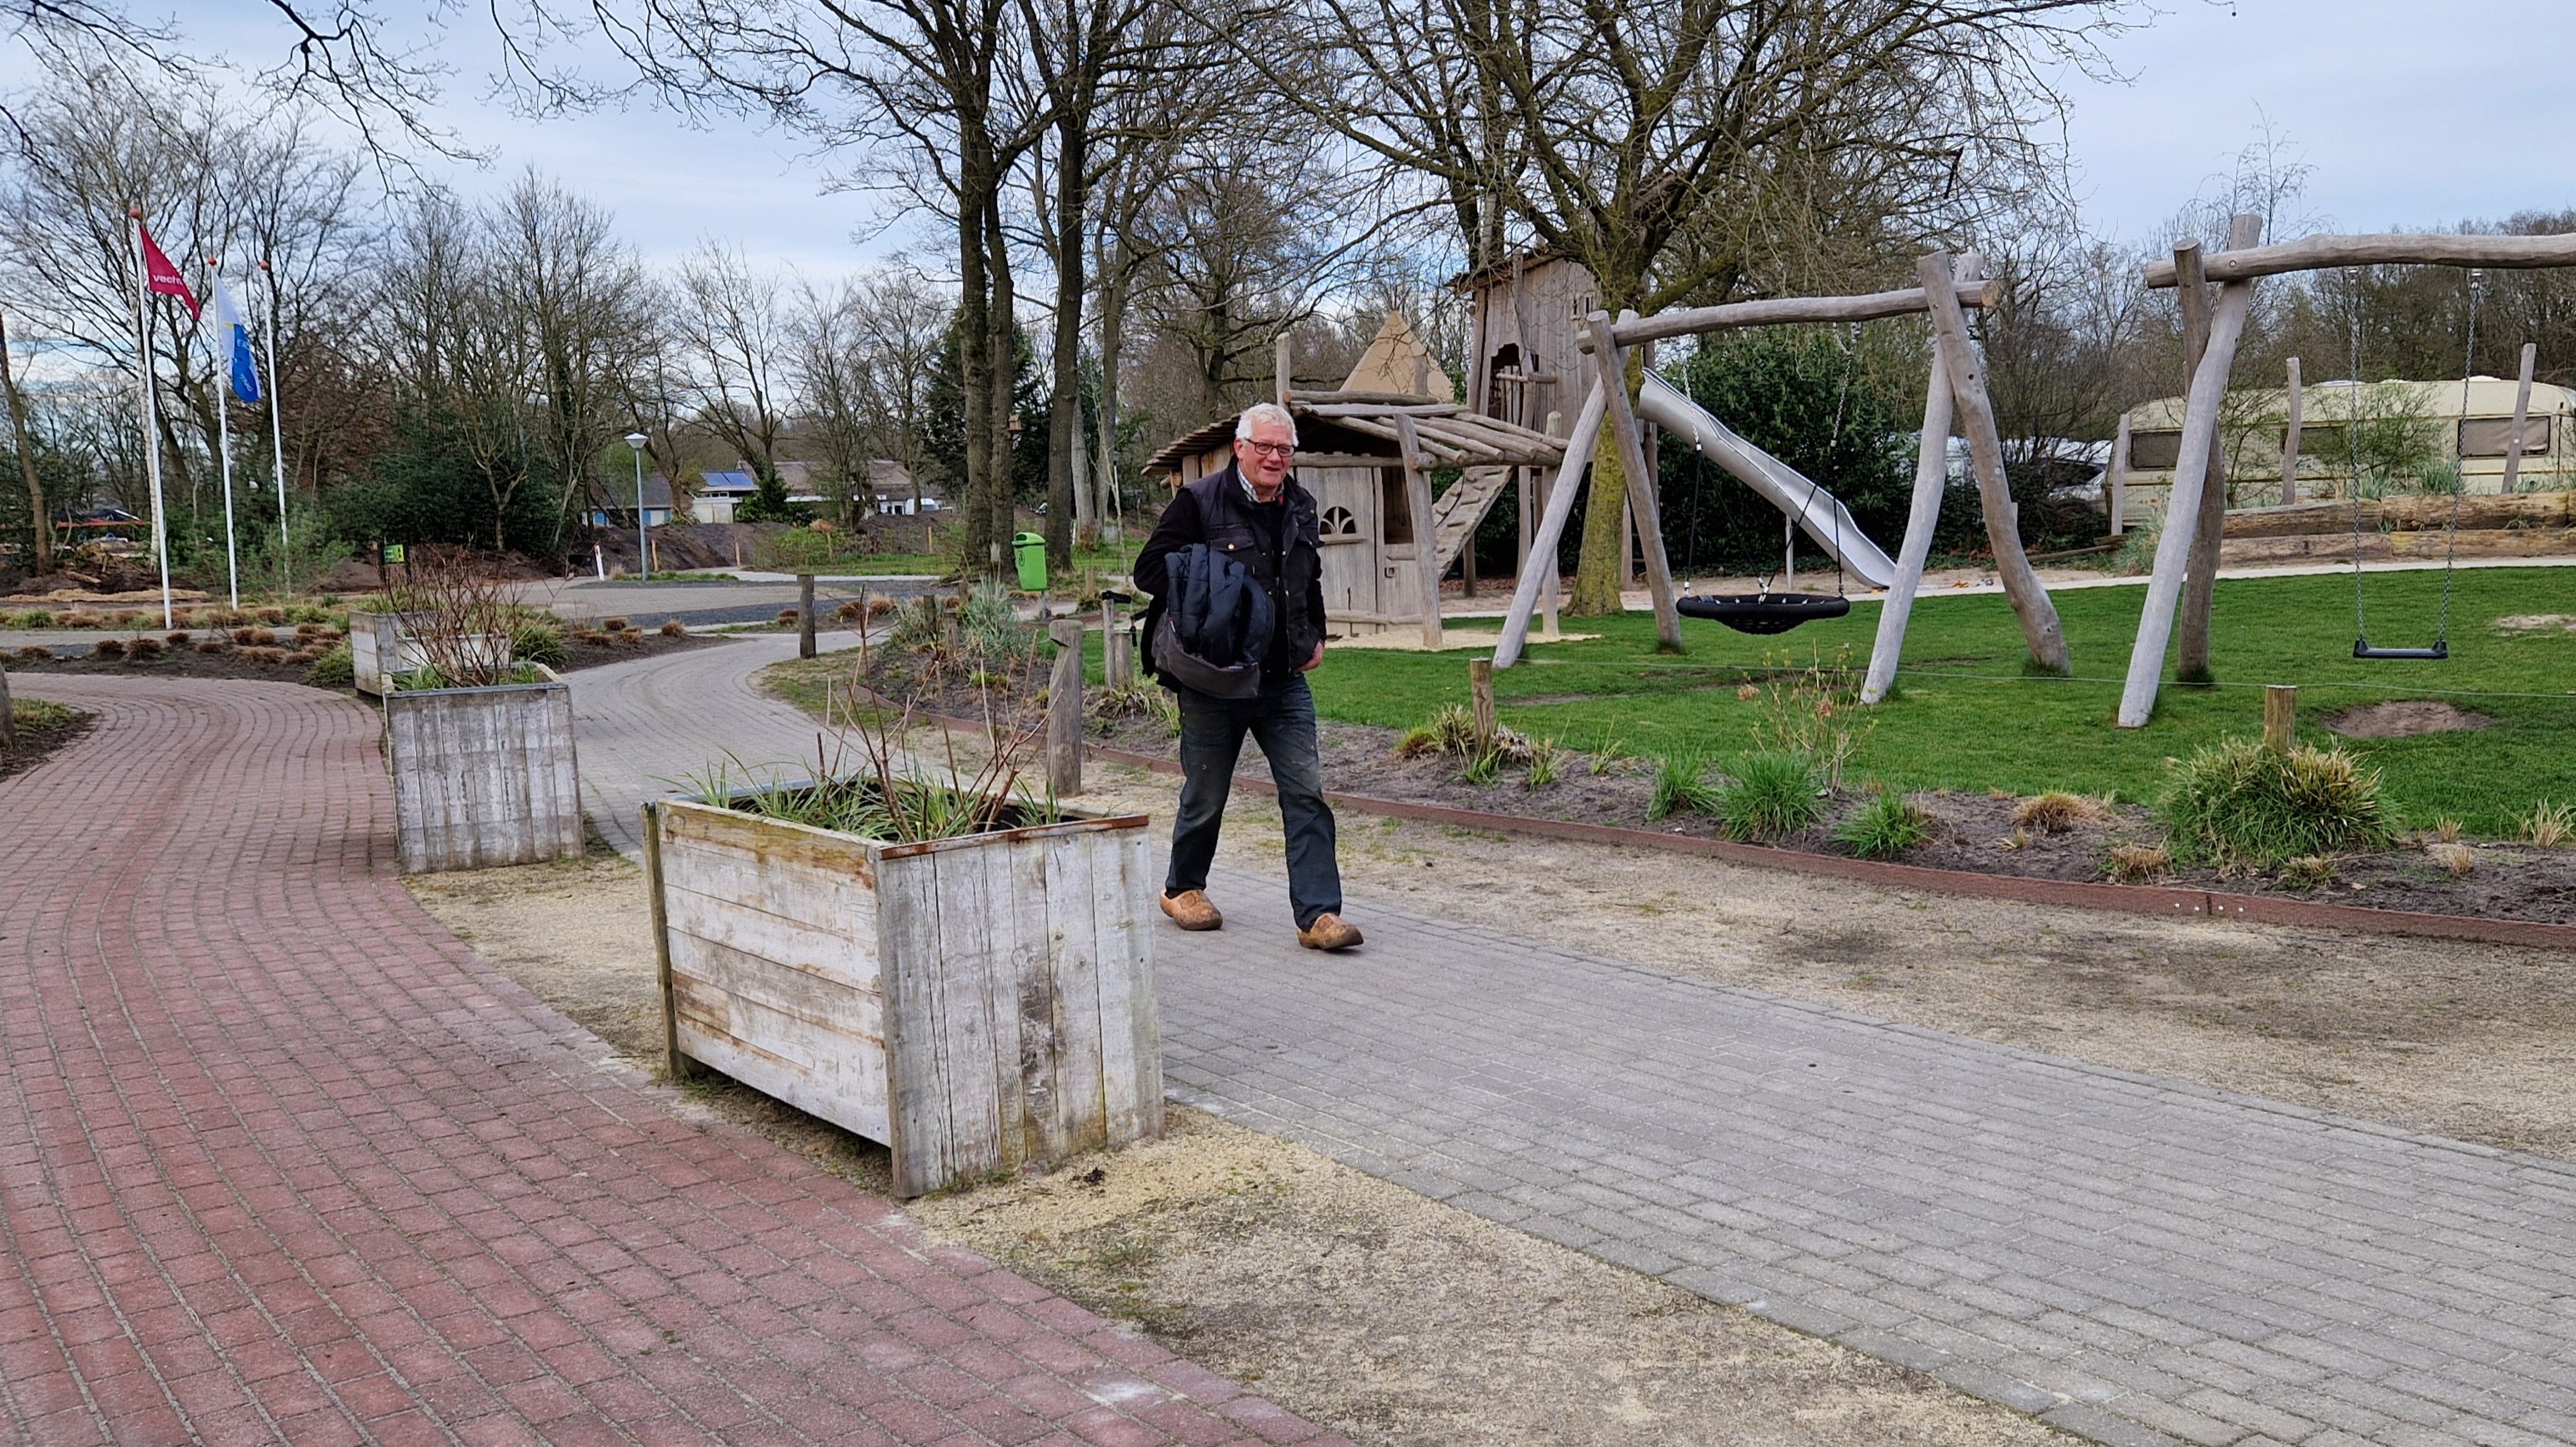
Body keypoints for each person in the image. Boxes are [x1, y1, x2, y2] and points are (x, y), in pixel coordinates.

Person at [1135, 402, 1362, 951]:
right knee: (1207, 792)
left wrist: (1315, 636)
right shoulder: (1199, 501)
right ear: (1240, 447)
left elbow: (1306, 579)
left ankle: (1317, 915)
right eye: (1264, 446)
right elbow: (1149, 570)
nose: (1275, 456)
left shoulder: (1299, 504)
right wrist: (1207, 592)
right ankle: (1182, 887)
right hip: (1214, 679)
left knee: (1305, 791)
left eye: (1284, 448)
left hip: (1282, 679)